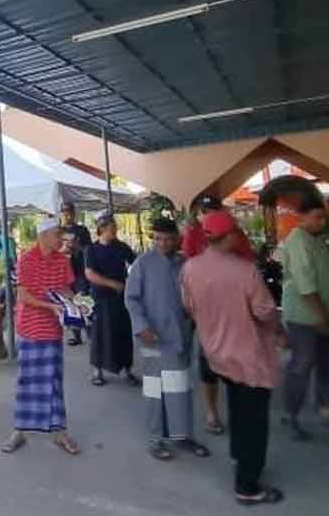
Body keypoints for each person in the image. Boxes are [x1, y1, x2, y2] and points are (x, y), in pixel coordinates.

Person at [181, 211, 288, 506]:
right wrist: (279, 331)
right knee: (253, 422)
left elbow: (189, 307)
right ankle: (247, 486)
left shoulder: (190, 267)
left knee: (239, 411)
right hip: (249, 358)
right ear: (229, 236)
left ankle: (239, 458)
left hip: (216, 354)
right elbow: (265, 312)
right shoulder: (245, 271)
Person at [125, 218, 210, 460]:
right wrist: (141, 327)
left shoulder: (184, 264)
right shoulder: (142, 264)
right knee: (155, 391)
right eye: (158, 239)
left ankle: (182, 436)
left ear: (177, 239)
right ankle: (156, 440)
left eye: (168, 238)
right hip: (151, 338)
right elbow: (131, 299)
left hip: (178, 337)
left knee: (179, 388)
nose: (163, 243)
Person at [2, 217, 80, 455]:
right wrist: (51, 306)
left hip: (53, 330)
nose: (61, 239)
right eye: (57, 234)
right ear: (44, 236)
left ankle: (60, 432)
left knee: (54, 382)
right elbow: (23, 296)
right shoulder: (26, 259)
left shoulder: (62, 260)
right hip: (30, 330)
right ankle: (19, 431)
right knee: (27, 382)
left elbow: (65, 288)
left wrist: (78, 303)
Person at [182, 195, 254, 437]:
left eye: (212, 210)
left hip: (235, 307)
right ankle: (212, 412)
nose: (208, 215)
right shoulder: (194, 233)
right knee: (208, 363)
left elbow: (249, 263)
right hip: (207, 310)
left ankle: (240, 410)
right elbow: (189, 268)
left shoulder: (235, 234)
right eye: (205, 211)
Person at [280, 199, 329, 440]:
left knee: (325, 364)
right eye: (317, 217)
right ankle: (290, 415)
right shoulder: (298, 240)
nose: (322, 221)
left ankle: (325, 409)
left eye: (323, 217)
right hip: (304, 315)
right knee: (302, 365)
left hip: (321, 313)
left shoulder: (317, 239)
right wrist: (320, 316)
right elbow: (305, 286)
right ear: (303, 217)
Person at [84, 212, 138, 386]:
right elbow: (90, 274)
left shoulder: (121, 247)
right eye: (111, 227)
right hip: (100, 298)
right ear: (101, 229)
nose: (114, 230)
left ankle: (127, 369)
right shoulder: (91, 249)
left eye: (114, 227)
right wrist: (112, 284)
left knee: (123, 333)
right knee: (100, 334)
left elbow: (136, 264)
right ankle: (97, 370)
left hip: (121, 298)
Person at [60, 201, 92, 346]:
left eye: (70, 213)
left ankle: (91, 333)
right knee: (70, 304)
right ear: (61, 214)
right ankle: (76, 336)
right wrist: (62, 250)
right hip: (64, 273)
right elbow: (52, 251)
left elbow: (89, 250)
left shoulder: (82, 230)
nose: (68, 216)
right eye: (65, 213)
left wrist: (77, 246)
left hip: (80, 272)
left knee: (83, 300)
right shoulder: (57, 231)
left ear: (74, 214)